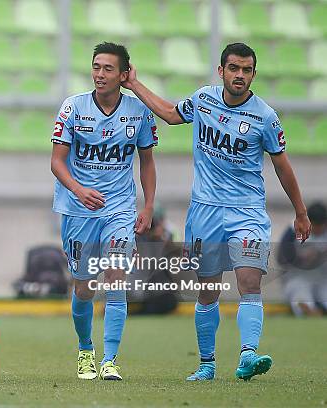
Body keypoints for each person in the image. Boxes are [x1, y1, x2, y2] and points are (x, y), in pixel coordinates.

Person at [122, 42, 312, 381]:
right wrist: (134, 83)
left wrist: (300, 211)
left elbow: (282, 166)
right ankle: (207, 364)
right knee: (208, 289)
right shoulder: (203, 100)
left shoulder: (265, 117)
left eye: (247, 70)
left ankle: (248, 356)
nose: (240, 75)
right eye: (234, 68)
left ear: (254, 74)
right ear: (221, 71)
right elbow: (168, 113)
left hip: (247, 212)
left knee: (249, 280)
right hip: (205, 212)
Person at [50, 42, 157, 381]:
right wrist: (80, 190)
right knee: (84, 287)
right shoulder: (73, 107)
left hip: (120, 209)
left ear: (124, 75)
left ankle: (110, 359)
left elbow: (148, 163)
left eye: (108, 68)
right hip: (78, 209)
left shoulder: (138, 112)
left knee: (115, 277)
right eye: (96, 66)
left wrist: (148, 205)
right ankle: (86, 350)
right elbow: (57, 162)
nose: (99, 74)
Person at [278, 202, 327, 316]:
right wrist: (300, 259)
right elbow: (282, 259)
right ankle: (308, 310)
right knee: (301, 296)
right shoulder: (293, 230)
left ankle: (319, 310)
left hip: (323, 277)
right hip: (299, 276)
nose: (318, 231)